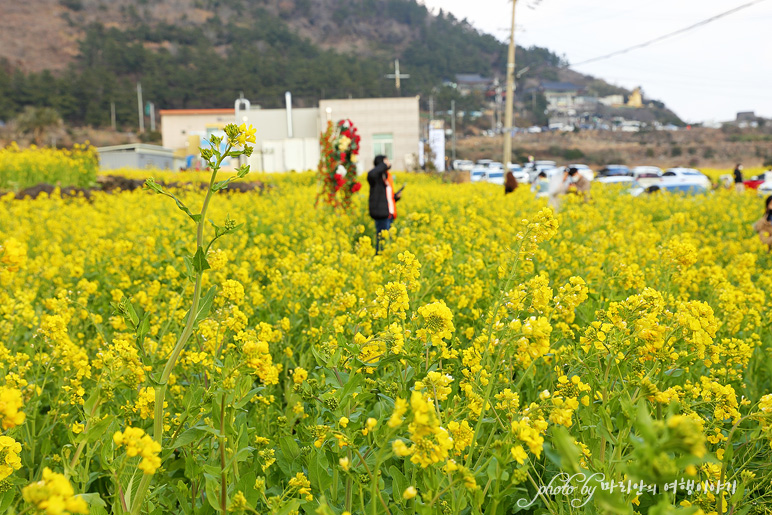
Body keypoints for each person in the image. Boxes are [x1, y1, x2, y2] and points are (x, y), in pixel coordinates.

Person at [368, 155, 401, 254]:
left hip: (389, 213)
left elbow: (385, 197)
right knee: (382, 240)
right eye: (386, 161)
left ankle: (386, 257)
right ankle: (380, 257)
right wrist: (383, 165)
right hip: (381, 213)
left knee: (388, 240)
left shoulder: (386, 176)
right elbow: (371, 174)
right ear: (381, 163)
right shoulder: (375, 178)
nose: (388, 162)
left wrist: (396, 197)